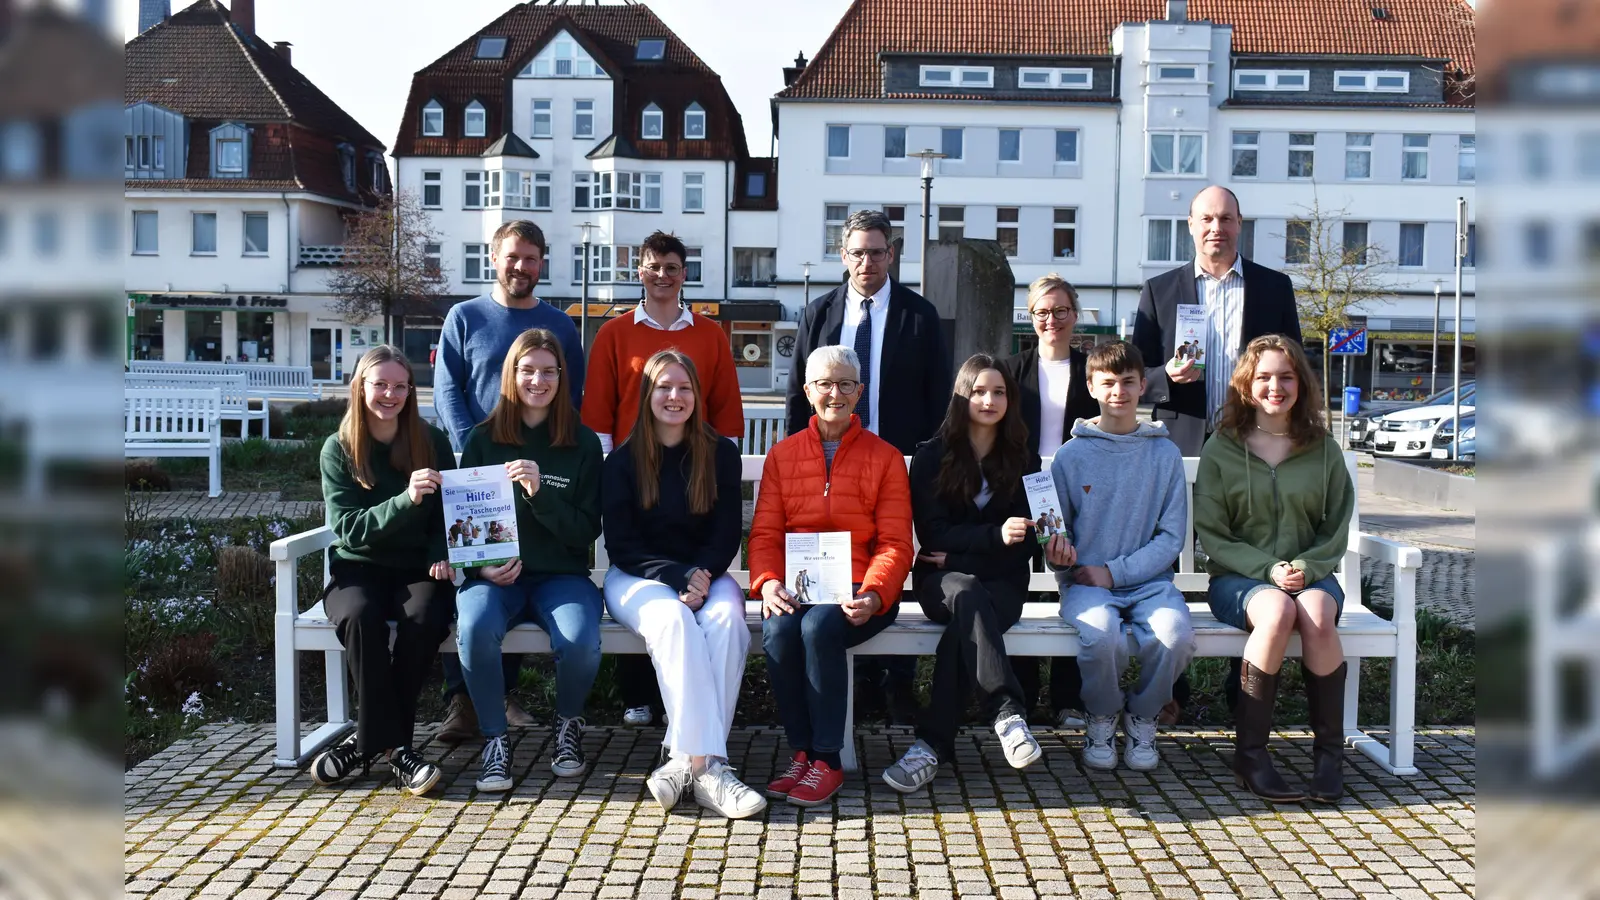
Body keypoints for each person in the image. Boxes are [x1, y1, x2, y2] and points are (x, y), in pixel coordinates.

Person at [785, 209, 951, 725]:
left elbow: (939, 399)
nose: (867, 261)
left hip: (898, 461)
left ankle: (897, 683)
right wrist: (802, 456)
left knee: (893, 558)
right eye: (857, 252)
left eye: (877, 252)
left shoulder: (920, 315)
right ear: (843, 255)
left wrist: (925, 463)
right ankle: (850, 683)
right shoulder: (818, 313)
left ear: (891, 254)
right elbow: (797, 395)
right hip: (832, 460)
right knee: (841, 561)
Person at [583, 230, 746, 730]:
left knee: (710, 614)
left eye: (672, 267)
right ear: (639, 270)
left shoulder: (709, 333)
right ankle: (641, 698)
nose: (662, 275)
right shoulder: (615, 332)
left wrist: (715, 463)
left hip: (693, 465)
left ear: (684, 273)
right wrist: (615, 469)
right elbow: (599, 408)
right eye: (653, 266)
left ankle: (695, 741)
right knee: (655, 595)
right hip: (637, 466)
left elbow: (725, 407)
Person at [600, 349, 766, 819]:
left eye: (685, 387)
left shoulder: (720, 453)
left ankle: (685, 763)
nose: (675, 397)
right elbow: (623, 546)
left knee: (728, 623)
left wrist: (702, 576)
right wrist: (677, 577)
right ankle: (711, 769)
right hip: (636, 578)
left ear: (697, 394)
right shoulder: (623, 462)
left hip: (708, 573)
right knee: (673, 620)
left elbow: (726, 533)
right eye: (664, 387)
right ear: (647, 394)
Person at [434, 220, 578, 741]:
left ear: (543, 263)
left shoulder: (559, 325)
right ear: (494, 258)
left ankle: (505, 695)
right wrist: (477, 450)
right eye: (513, 256)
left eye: (532, 258)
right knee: (479, 574)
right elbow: (448, 389)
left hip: (536, 471)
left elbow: (571, 393)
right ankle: (461, 702)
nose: (522, 267)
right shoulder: (465, 316)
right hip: (478, 470)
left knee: (522, 563)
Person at [1195, 335, 1355, 803]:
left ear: (1301, 384)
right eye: (1263, 377)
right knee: (1278, 613)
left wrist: (1306, 567)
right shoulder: (1221, 448)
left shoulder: (1322, 448)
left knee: (1318, 614)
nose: (1275, 387)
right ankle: (1251, 756)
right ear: (1247, 386)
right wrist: (1268, 571)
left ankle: (1329, 758)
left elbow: (1336, 526)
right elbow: (1213, 533)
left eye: (1285, 377)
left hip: (1312, 574)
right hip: (1238, 578)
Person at [755, 345, 914, 807]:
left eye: (846, 384)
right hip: (798, 588)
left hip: (862, 592)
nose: (835, 393)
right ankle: (802, 754)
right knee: (781, 628)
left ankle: (829, 759)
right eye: (825, 383)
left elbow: (895, 543)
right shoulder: (782, 457)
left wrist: (874, 593)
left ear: (860, 392)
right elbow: (765, 533)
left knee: (819, 626)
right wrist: (766, 581)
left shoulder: (883, 458)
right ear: (808, 392)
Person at [881, 354, 1044, 794]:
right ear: (962, 395)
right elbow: (932, 532)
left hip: (1002, 584)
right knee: (968, 593)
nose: (989, 400)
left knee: (964, 625)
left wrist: (957, 556)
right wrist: (993, 538)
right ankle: (1007, 711)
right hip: (941, 585)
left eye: (999, 392)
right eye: (979, 391)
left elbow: (1031, 539)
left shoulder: (1023, 458)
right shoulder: (932, 456)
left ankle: (930, 747)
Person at [454, 329, 605, 789]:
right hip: (495, 578)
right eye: (527, 370)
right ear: (511, 376)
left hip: (561, 576)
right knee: (475, 628)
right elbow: (461, 522)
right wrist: (479, 568)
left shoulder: (581, 443)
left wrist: (539, 494)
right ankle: (494, 741)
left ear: (561, 377)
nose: (537, 380)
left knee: (579, 638)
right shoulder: (484, 440)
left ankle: (567, 727)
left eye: (548, 371)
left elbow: (585, 530)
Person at [312, 345, 456, 796]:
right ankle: (399, 751)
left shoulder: (431, 442)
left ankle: (366, 742)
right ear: (360, 387)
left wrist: (441, 552)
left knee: (425, 619)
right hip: (358, 569)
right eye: (380, 384)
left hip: (417, 568)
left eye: (399, 385)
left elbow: (447, 516)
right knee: (360, 618)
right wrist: (406, 499)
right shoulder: (339, 449)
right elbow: (350, 530)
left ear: (411, 390)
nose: (390, 394)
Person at [1047, 341, 1195, 772]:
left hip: (1149, 584)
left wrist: (1114, 573)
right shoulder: (1071, 456)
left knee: (1175, 636)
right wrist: (1059, 556)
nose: (1118, 391)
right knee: (1101, 635)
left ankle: (1143, 714)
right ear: (1091, 386)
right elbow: (1057, 535)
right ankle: (1101, 714)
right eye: (1107, 382)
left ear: (1143, 385)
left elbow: (1171, 538)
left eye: (1127, 381)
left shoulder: (1163, 454)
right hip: (1086, 585)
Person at [996, 275, 1102, 727]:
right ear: (1030, 316)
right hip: (1018, 492)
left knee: (1073, 584)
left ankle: (1068, 698)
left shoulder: (1093, 369)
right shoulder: (1009, 371)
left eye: (1060, 310)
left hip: (1081, 494)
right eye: (1042, 311)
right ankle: (1020, 695)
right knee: (1015, 582)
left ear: (1074, 315)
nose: (1051, 320)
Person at [1132, 185, 1302, 457]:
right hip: (1181, 444)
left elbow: (1296, 364)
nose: (1216, 227)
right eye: (1206, 219)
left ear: (1239, 224)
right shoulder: (1158, 291)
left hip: (1256, 440)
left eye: (1225, 218)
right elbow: (1135, 372)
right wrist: (1166, 375)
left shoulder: (1275, 287)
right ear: (1190, 225)